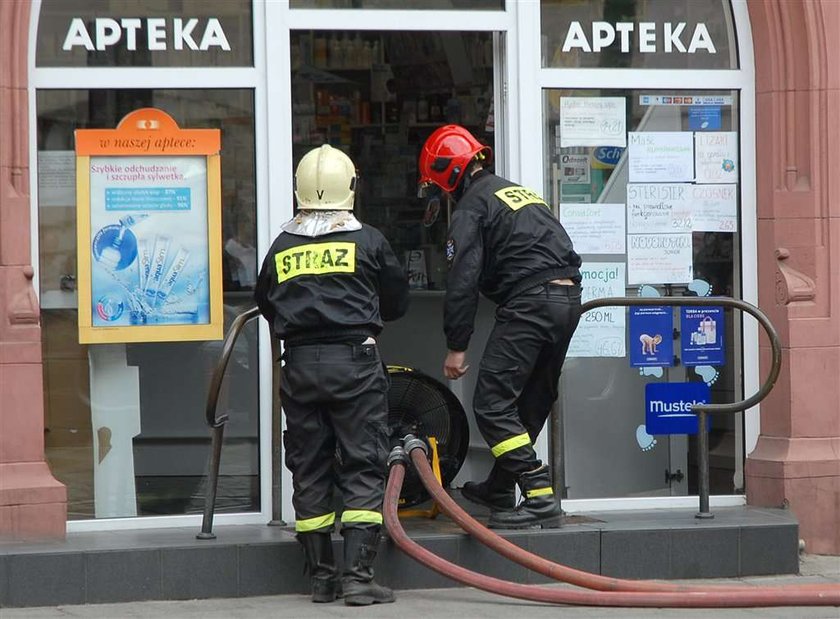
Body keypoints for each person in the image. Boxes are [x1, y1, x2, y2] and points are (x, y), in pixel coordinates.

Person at [255, 144, 409, 605]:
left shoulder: (282, 244)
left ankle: (321, 578)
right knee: (363, 461)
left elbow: (266, 303)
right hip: (355, 366)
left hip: (299, 366)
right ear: (351, 188)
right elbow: (397, 302)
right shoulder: (369, 241)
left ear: (299, 190)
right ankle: (358, 580)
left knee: (309, 465)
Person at [417, 124, 582, 529]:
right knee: (531, 401)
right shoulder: (516, 192)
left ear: (447, 175)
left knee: (491, 403)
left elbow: (463, 280)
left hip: (531, 304)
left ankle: (539, 493)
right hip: (568, 300)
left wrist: (457, 346)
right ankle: (501, 485)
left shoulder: (472, 206)